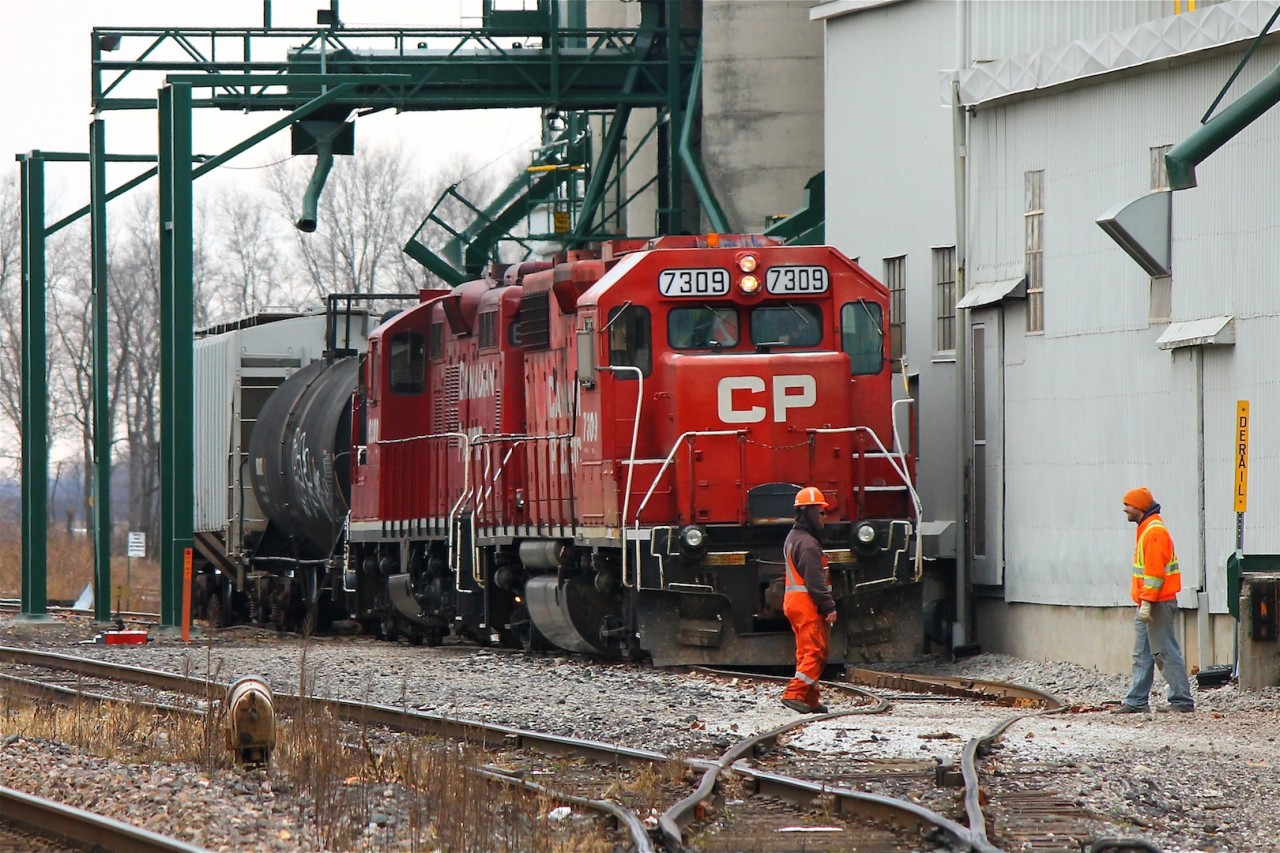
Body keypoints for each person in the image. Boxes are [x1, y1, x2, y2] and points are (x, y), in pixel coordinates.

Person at [1111, 486, 1195, 714]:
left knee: (1164, 651)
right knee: (1143, 653)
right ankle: (1137, 701)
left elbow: (1155, 573)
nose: (1125, 509)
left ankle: (1181, 701)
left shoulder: (1154, 531)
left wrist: (1147, 602)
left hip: (1156, 603)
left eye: (1128, 504)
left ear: (1139, 507)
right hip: (1149, 602)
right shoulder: (1147, 528)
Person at [780, 486, 838, 714]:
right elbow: (815, 580)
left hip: (795, 602)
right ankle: (794, 693)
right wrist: (828, 606)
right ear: (810, 513)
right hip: (806, 604)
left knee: (810, 651)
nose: (825, 517)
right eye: (822, 512)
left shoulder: (795, 537)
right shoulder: (808, 544)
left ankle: (810, 698)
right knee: (814, 650)